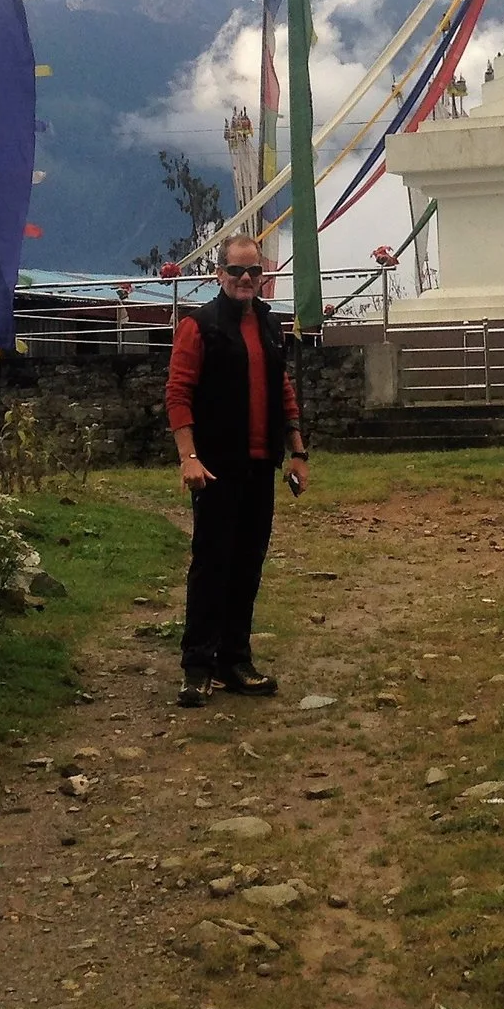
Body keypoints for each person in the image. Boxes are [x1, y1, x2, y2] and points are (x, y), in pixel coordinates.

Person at [166, 233, 309, 707]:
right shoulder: (198, 327)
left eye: (254, 271)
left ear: (262, 276)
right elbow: (178, 393)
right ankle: (197, 666)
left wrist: (297, 452)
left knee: (247, 562)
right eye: (236, 271)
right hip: (215, 465)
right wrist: (189, 456)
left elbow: (282, 388)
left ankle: (234, 659)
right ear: (219, 274)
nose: (246, 279)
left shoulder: (269, 325)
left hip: (260, 463)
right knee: (212, 562)